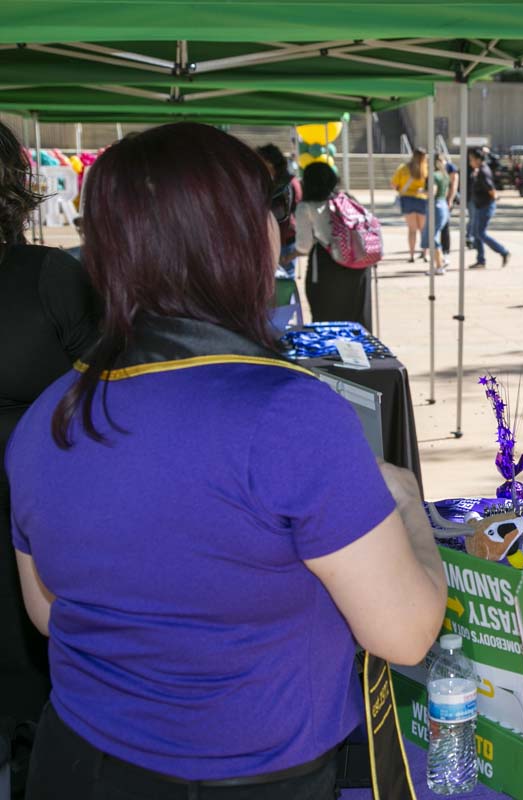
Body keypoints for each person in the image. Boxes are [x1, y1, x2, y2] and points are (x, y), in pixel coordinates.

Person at [7, 122, 447, 797]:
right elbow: (407, 632)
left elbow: (48, 612)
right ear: (239, 238)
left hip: (75, 763)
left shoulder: (50, 414)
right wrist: (409, 507)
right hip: (244, 778)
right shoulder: (288, 416)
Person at [0, 119, 99, 788]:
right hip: (37, 530)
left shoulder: (47, 277)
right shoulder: (47, 276)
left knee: (36, 709)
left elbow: (112, 395)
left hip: (33, 538)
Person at [297, 162, 372, 327]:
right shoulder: (347, 199)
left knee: (327, 322)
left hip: (326, 268)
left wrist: (289, 255)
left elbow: (303, 246)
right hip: (359, 265)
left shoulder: (306, 207)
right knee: (356, 322)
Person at [257, 143, 304, 324]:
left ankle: (281, 322)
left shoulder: (284, 184)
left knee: (282, 286)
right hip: (281, 238)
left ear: (272, 163)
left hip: (283, 241)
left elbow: (287, 212)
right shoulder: (289, 182)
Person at [467, 147, 510, 269]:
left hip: (485, 206)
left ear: (478, 160)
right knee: (476, 233)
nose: (470, 162)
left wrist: (495, 197)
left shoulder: (483, 172)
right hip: (480, 205)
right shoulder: (479, 170)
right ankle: (481, 260)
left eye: (471, 159)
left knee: (480, 233)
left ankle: (503, 251)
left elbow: (490, 188)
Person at [390, 147, 428, 263]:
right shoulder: (426, 168)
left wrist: (402, 189)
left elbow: (394, 184)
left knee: (412, 229)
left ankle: (411, 255)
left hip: (407, 200)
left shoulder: (403, 168)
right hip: (422, 199)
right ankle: (425, 254)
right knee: (423, 229)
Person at [420, 153, 452, 276]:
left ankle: (439, 265)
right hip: (443, 204)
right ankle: (441, 261)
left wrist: (422, 191)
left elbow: (432, 192)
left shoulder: (433, 176)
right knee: (435, 235)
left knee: (432, 236)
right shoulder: (444, 175)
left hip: (435, 206)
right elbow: (446, 192)